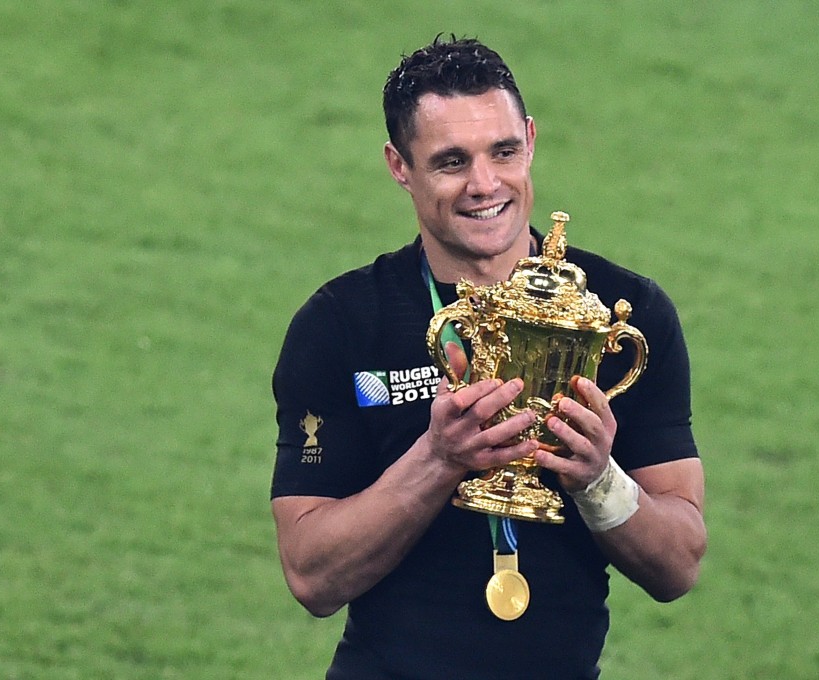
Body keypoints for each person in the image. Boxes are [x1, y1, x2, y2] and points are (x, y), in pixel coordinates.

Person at [270, 35, 706, 680]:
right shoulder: (340, 325)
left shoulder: (619, 314)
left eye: (503, 152)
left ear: (529, 139)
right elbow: (312, 575)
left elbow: (679, 565)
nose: (484, 185)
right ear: (399, 166)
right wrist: (438, 459)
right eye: (451, 161)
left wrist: (598, 480)